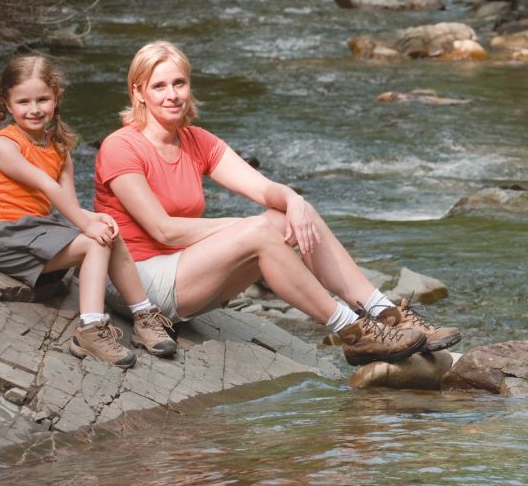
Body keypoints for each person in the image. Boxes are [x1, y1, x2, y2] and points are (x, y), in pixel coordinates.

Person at [94, 41, 462, 366]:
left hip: (188, 276)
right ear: (138, 92)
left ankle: (384, 312)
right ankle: (353, 332)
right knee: (259, 229)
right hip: (137, 286)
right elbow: (164, 229)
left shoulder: (196, 140)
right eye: (159, 86)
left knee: (291, 212)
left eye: (179, 83)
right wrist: (247, 226)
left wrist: (292, 198)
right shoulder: (121, 147)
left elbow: (263, 188)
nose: (172, 94)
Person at [0, 55, 177, 369]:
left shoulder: (57, 145)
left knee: (108, 231)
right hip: (4, 236)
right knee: (93, 242)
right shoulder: (4, 145)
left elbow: (66, 200)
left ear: (56, 98)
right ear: (6, 102)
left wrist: (95, 219)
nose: (34, 109)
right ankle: (90, 329)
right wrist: (87, 225)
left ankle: (143, 316)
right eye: (23, 101)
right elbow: (47, 186)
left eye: (43, 99)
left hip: (42, 226)